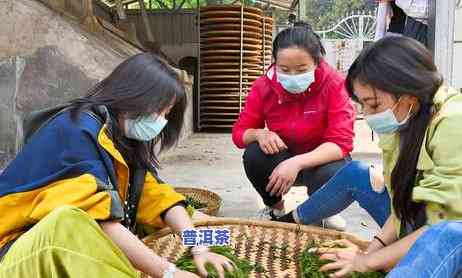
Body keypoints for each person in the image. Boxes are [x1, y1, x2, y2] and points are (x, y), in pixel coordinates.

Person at [0, 53, 234, 278]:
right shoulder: (74, 130)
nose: (162, 120)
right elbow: (101, 223)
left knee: (200, 223)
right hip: (13, 251)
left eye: (167, 113)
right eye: (160, 109)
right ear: (135, 96)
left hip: (62, 245)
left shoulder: (123, 140)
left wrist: (199, 248)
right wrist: (169, 272)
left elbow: (157, 199)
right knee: (68, 223)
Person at [313, 36, 462, 277]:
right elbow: (402, 206)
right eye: (362, 104)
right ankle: (289, 220)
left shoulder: (454, 122)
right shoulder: (403, 120)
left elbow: (443, 230)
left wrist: (369, 262)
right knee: (355, 174)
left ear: (409, 98)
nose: (366, 115)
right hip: (422, 228)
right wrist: (369, 254)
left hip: (449, 238)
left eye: (373, 104)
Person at [232, 22, 355, 230]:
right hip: (281, 159)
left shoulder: (334, 84)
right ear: (274, 63)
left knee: (339, 170)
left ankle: (322, 210)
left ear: (317, 62)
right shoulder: (263, 86)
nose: (292, 76)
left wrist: (297, 163)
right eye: (284, 69)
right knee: (254, 155)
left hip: (320, 161)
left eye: (301, 69)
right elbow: (239, 134)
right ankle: (275, 208)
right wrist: (259, 134)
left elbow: (340, 142)